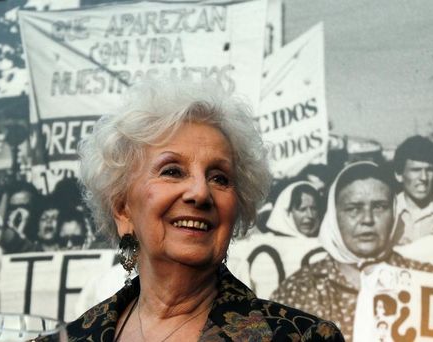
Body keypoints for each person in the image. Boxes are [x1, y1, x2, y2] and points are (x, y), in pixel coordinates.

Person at [36, 78, 344, 341]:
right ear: (122, 210)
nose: (200, 192)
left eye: (219, 178)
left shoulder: (303, 337)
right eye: (172, 171)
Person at [271, 162, 433, 341]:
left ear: (394, 212)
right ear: (335, 216)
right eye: (353, 208)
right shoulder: (296, 292)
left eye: (379, 206)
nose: (367, 219)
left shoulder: (428, 281)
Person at [393, 135, 433, 244]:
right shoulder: (389, 212)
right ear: (399, 175)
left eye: (429, 170)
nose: (424, 177)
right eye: (416, 170)